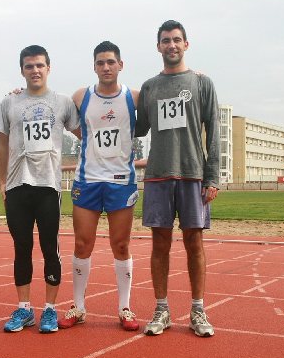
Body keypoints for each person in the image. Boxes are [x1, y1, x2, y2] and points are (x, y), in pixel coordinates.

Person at [135, 20, 220, 337]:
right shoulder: (150, 87)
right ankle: (162, 309)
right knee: (160, 246)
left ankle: (198, 311)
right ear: (158, 46)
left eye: (176, 40)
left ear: (186, 44)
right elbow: (138, 127)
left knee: (194, 244)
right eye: (165, 40)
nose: (171, 45)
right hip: (158, 176)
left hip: (192, 175)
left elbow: (214, 130)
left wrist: (213, 177)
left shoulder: (202, 83)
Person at [0, 45, 79, 333]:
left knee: (49, 248)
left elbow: (84, 132)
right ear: (22, 70)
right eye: (29, 66)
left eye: (40, 65)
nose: (35, 70)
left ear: (49, 68)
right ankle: (24, 309)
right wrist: (1, 181)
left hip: (48, 186)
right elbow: (3, 143)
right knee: (22, 248)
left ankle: (50, 310)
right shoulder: (9, 103)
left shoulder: (63, 102)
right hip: (17, 186)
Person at [58, 41, 140, 331]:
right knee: (82, 244)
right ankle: (78, 307)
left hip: (121, 181)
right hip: (88, 179)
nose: (106, 67)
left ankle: (125, 308)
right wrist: (18, 94)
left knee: (121, 244)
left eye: (111, 62)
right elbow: (60, 115)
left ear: (121, 64)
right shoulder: (81, 96)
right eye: (100, 63)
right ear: (94, 66)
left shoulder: (134, 97)